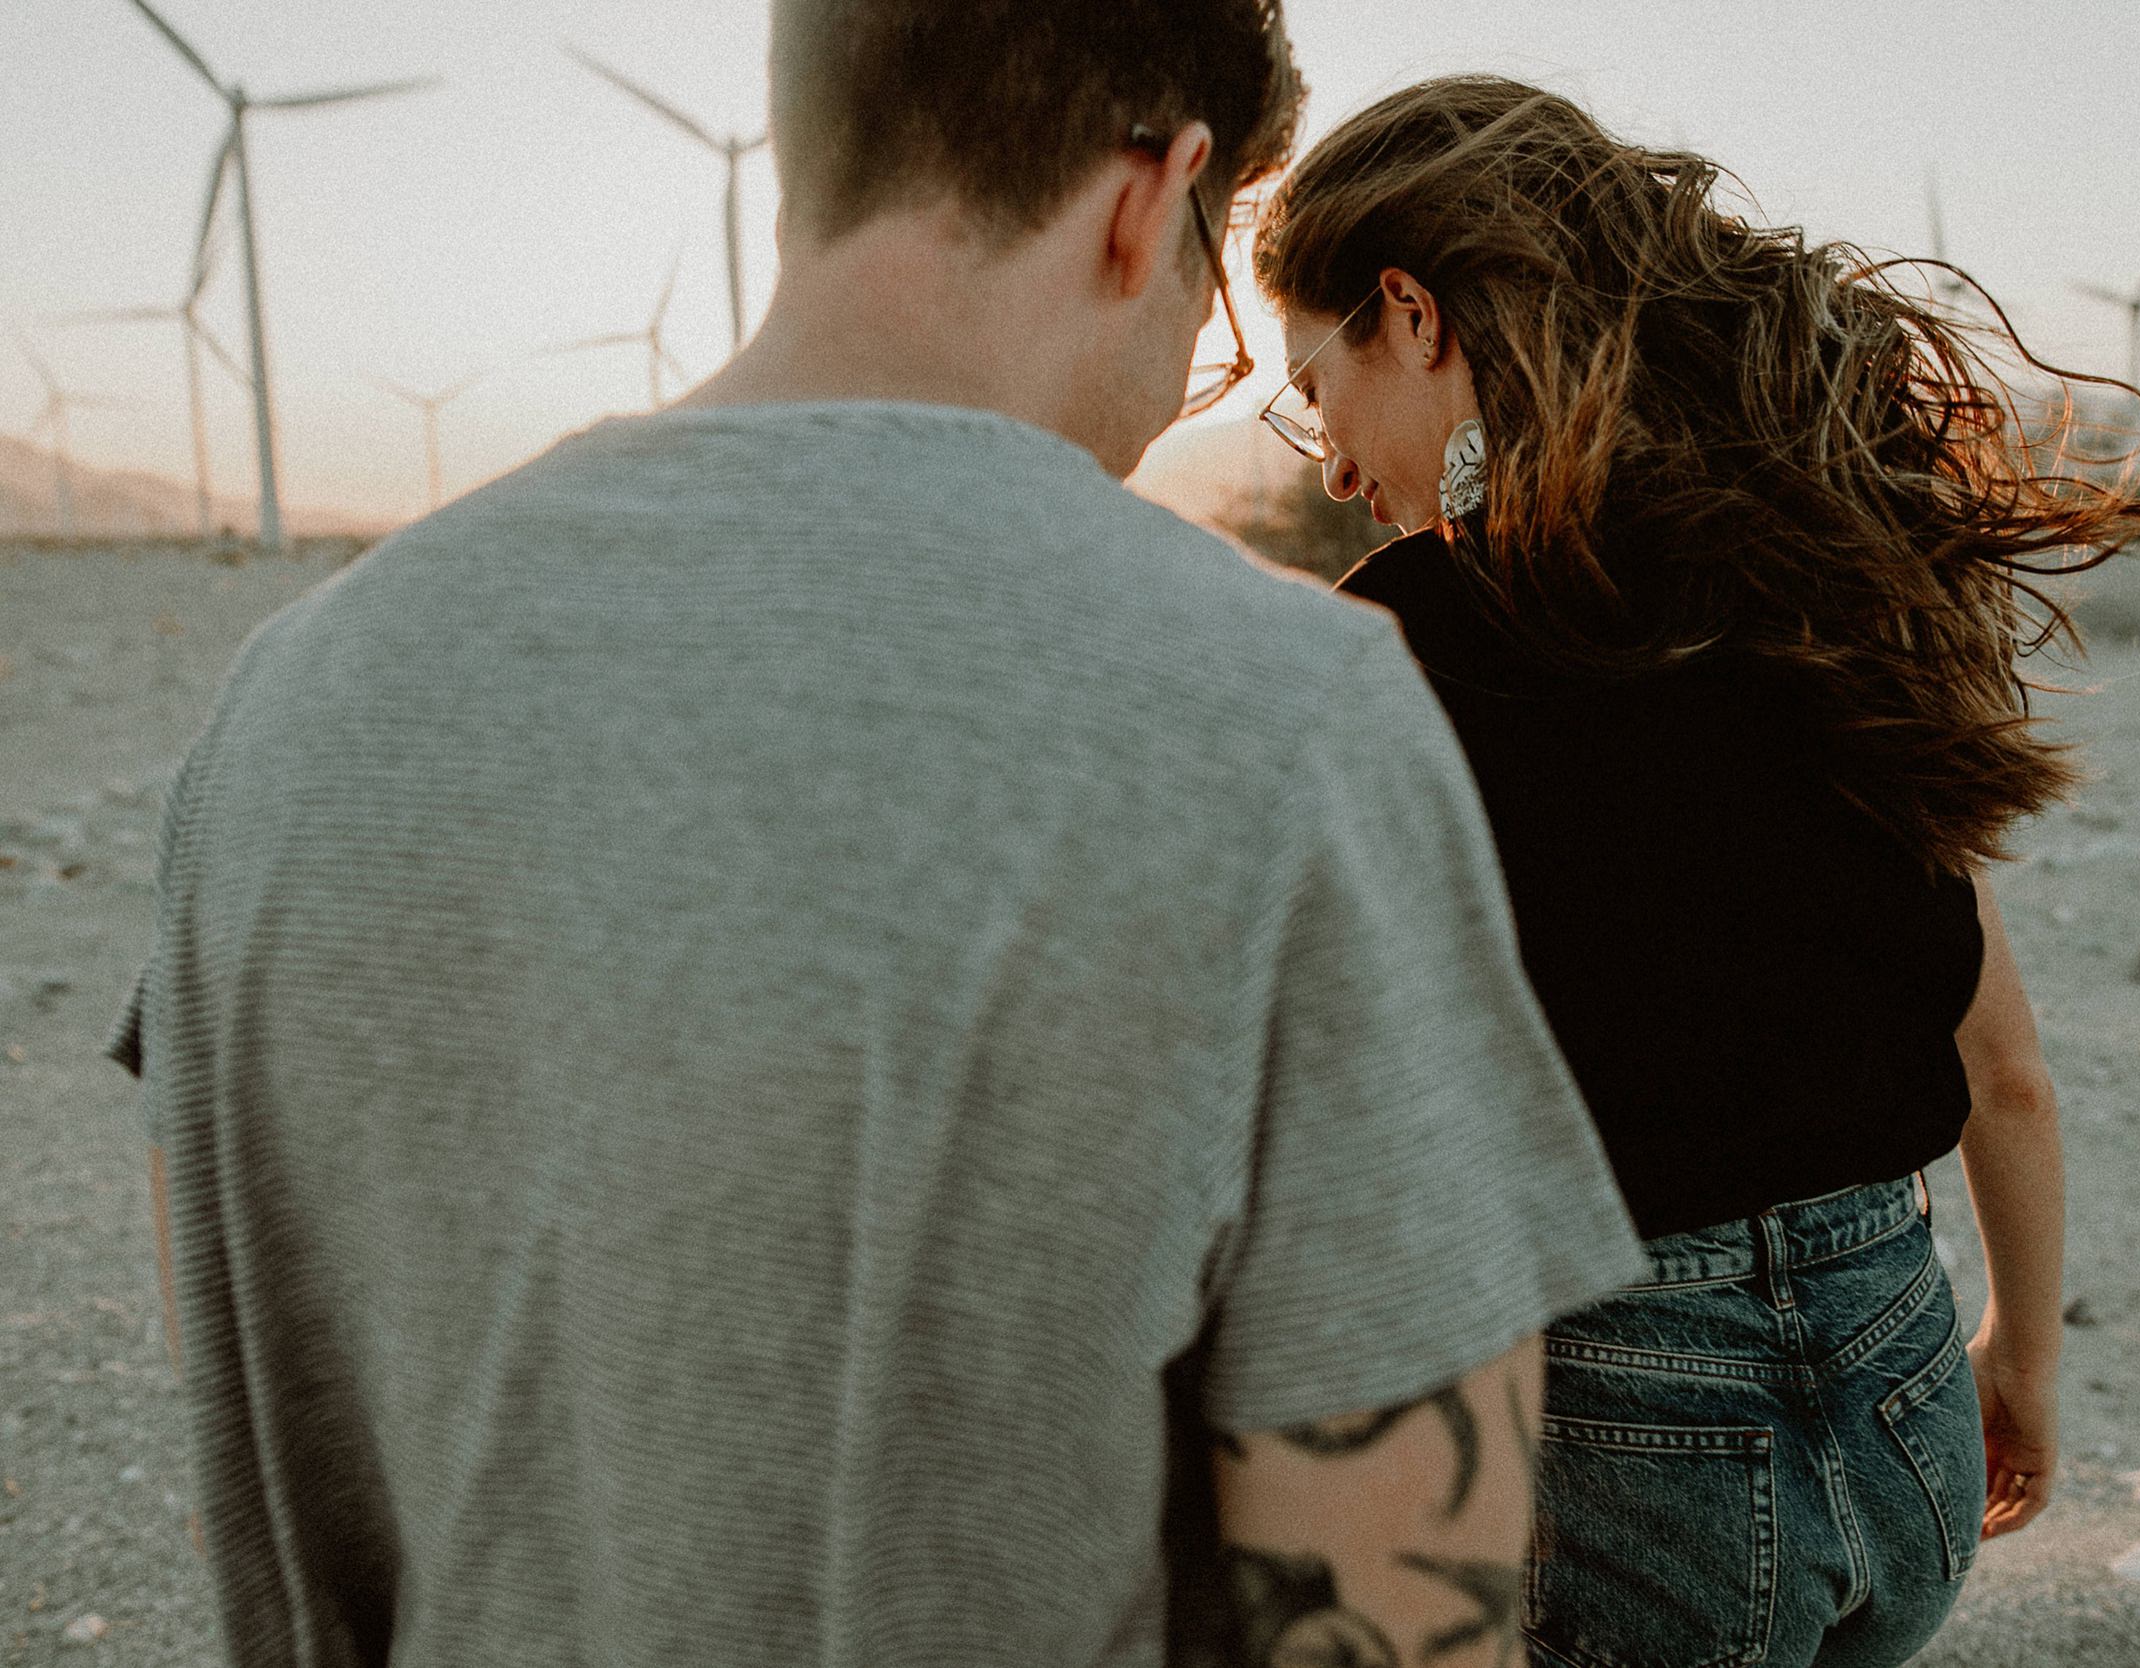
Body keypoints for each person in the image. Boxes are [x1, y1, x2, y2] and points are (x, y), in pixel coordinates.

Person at [109, 18, 1649, 1666]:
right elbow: (1401, 1610)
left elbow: (264, 1443)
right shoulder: (1291, 717)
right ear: (1155, 196)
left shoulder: (283, 714)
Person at [1250, 77, 2140, 1668]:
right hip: (1906, 1388)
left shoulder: (1389, 649)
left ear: (1410, 313)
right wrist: (2021, 1349)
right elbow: (2003, 1071)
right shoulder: (1828, 583)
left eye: (1310, 387)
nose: (1328, 464)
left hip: (1635, 1430)